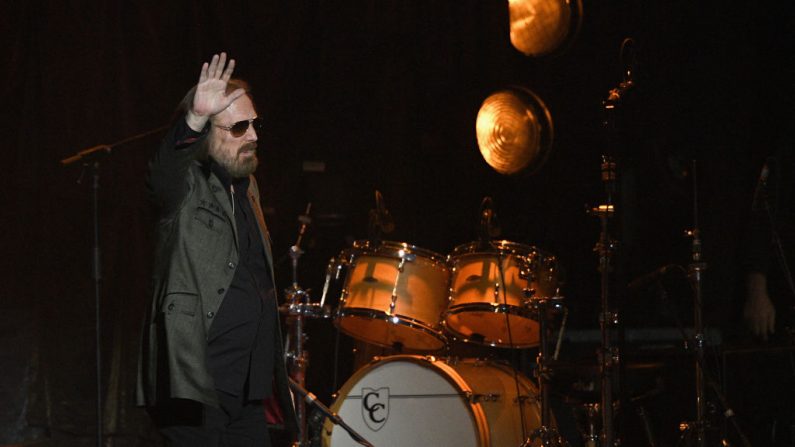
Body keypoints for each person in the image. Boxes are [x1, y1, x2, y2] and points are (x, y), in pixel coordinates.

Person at [136, 52, 298, 446]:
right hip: (196, 384)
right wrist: (193, 118)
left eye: (255, 124)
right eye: (239, 127)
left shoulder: (249, 188)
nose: (254, 135)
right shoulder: (188, 185)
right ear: (209, 133)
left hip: (246, 389)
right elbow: (161, 175)